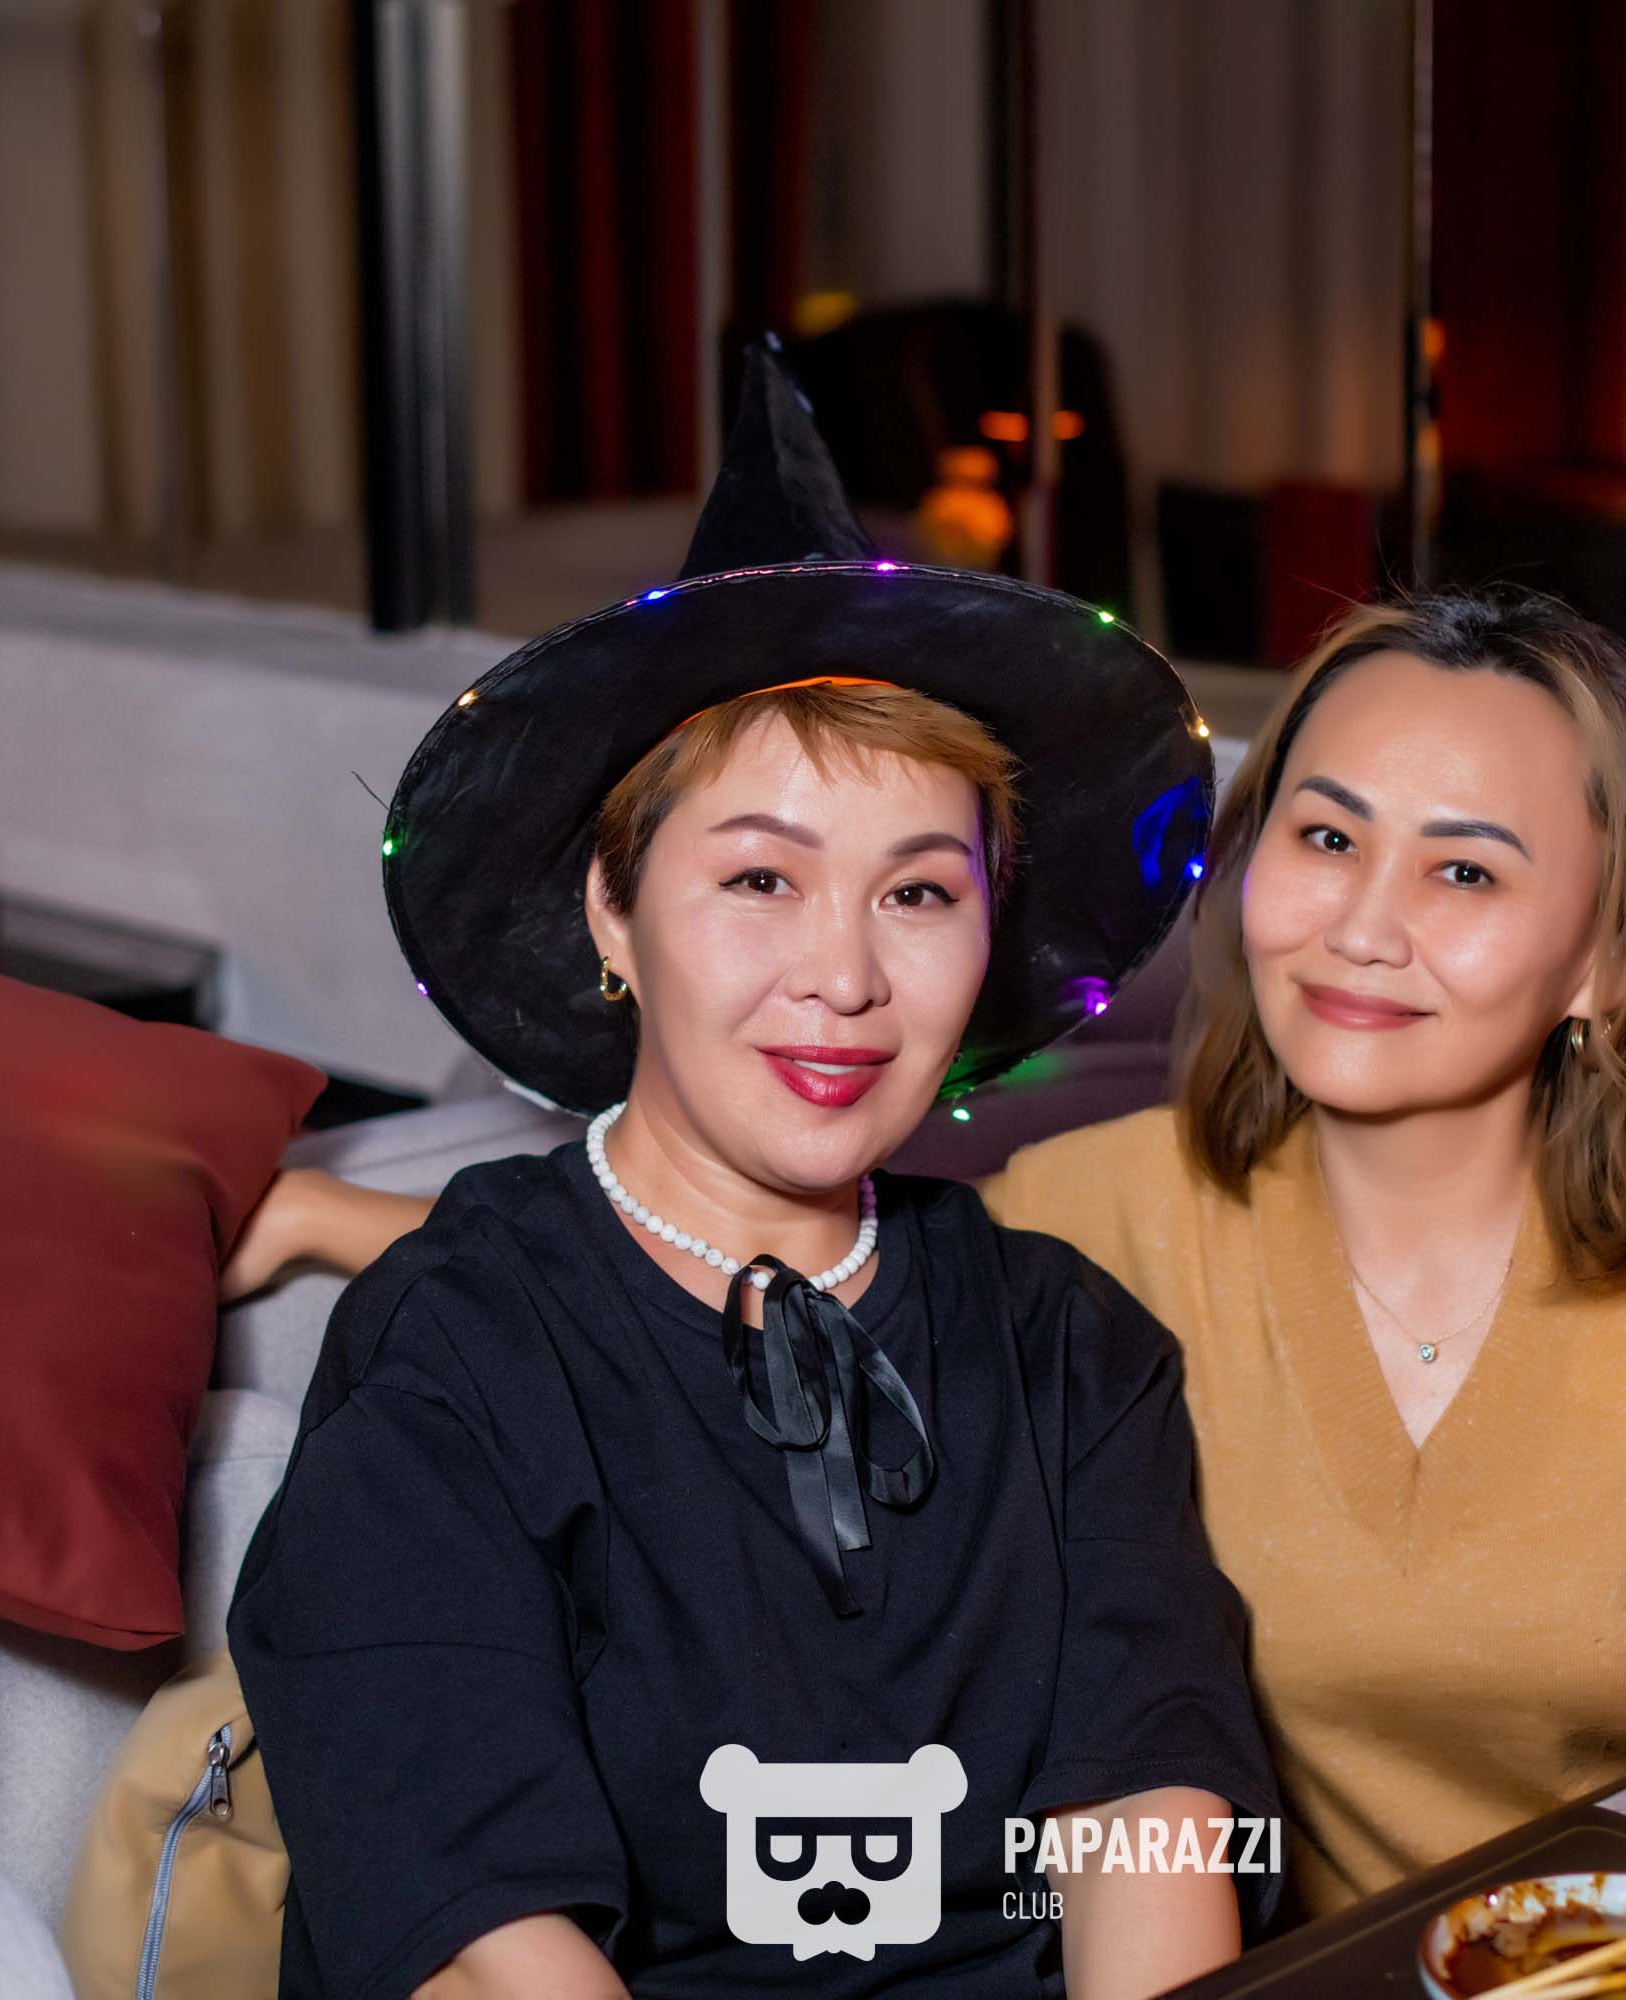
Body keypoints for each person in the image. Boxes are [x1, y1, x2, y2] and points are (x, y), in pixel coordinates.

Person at [236, 583, 1626, 1923]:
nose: (1364, 925)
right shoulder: (1100, 1227)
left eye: (1466, 868)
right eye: (1325, 837)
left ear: (1604, 958)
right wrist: (337, 1219)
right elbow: (726, 1271)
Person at [223, 348, 1276, 2000]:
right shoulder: (455, 1349)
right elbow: (479, 1943)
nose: (844, 979)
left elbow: (1149, 1824)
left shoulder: (1065, 1347)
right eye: (760, 880)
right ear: (613, 910)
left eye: (918, 894)